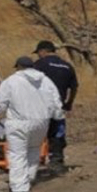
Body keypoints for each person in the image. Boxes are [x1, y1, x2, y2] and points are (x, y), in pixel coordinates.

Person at [0, 56, 64, 192]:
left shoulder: (11, 81)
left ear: (18, 66)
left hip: (19, 122)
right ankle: (29, 177)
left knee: (17, 154)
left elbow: (0, 102)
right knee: (33, 149)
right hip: (41, 122)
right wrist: (59, 118)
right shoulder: (45, 80)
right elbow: (55, 101)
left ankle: (19, 188)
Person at [32, 40, 79, 175]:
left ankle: (31, 164)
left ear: (43, 51)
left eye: (39, 53)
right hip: (58, 107)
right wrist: (69, 103)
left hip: (40, 106)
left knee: (34, 134)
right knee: (57, 134)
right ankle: (57, 162)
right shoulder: (67, 66)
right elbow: (74, 87)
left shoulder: (39, 64)